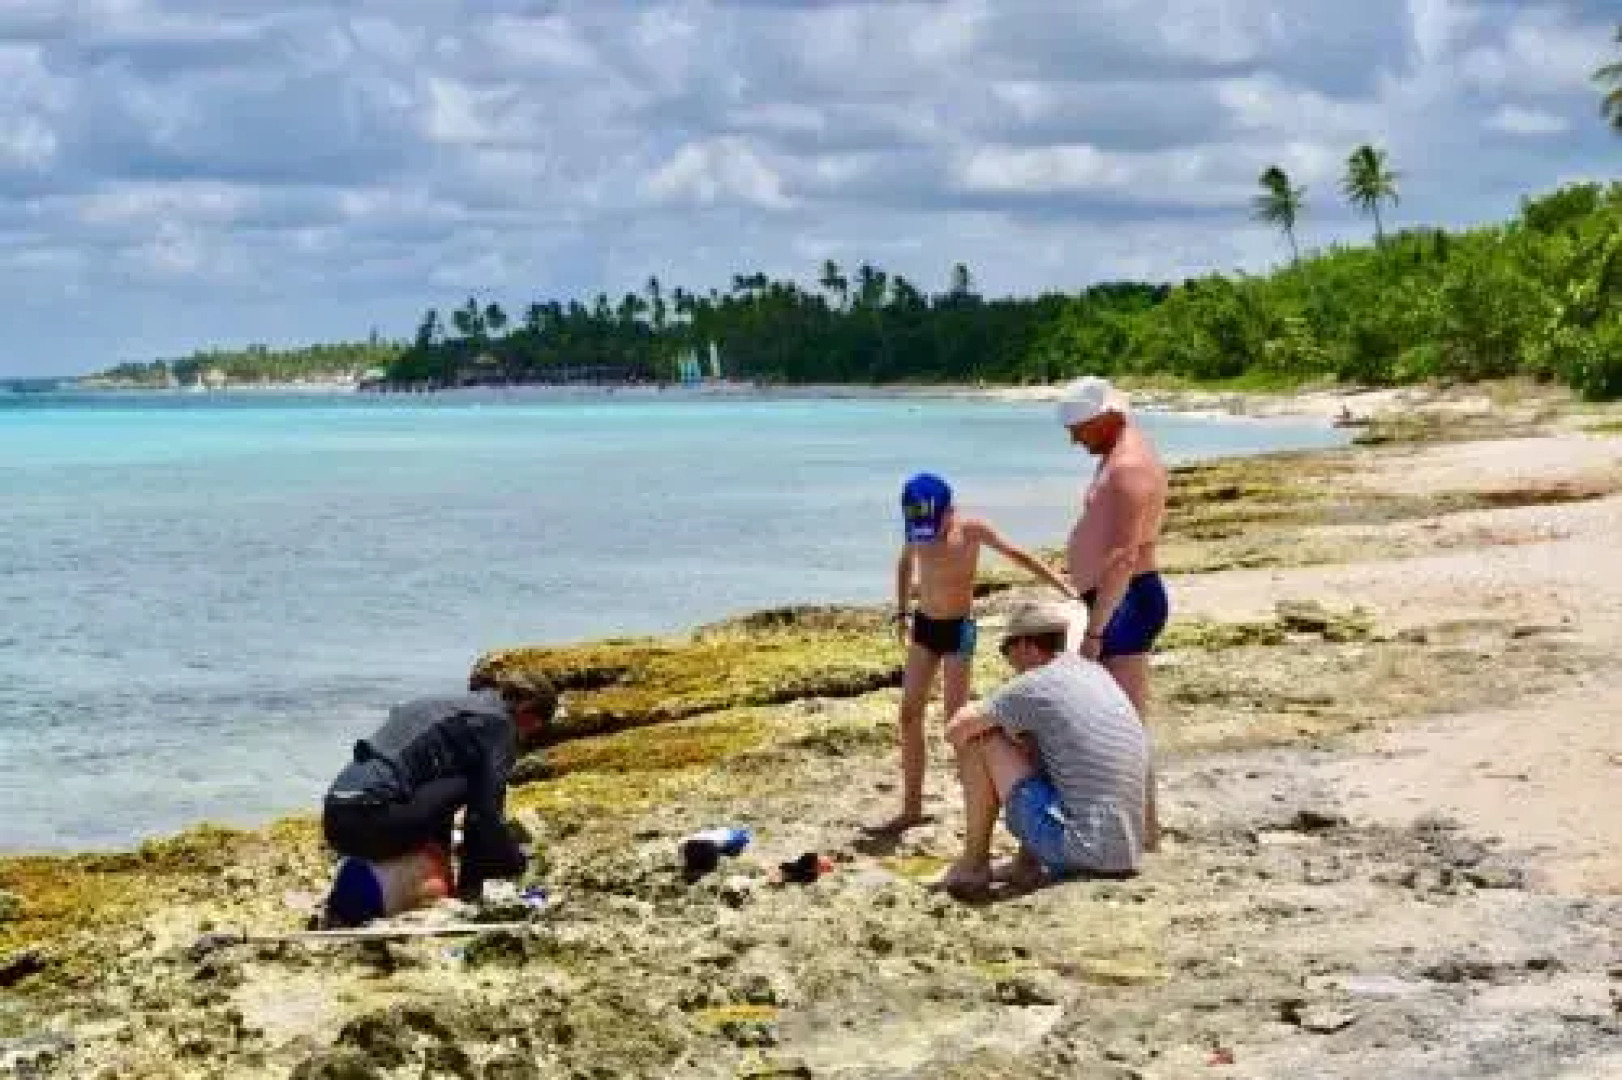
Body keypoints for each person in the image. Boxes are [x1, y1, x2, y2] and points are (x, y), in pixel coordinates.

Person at [865, 471, 1077, 836]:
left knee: (958, 721)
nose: (926, 532)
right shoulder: (918, 529)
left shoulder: (973, 530)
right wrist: (901, 612)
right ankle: (912, 808)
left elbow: (1017, 554)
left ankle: (975, 805)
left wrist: (1061, 584)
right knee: (909, 714)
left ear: (950, 510)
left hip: (959, 630)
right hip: (925, 628)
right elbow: (905, 564)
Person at [939, 596, 1148, 901]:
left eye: (1006, 651)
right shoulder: (1095, 673)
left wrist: (998, 732)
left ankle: (974, 864)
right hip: (1125, 851)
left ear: (1026, 645)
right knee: (1039, 740)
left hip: (1082, 851)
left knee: (980, 739)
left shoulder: (1035, 684)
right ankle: (1026, 864)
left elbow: (956, 729)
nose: (1010, 664)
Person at [319, 673, 557, 925]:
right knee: (471, 783)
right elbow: (487, 813)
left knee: (445, 779)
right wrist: (515, 864)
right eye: (532, 730)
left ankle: (445, 873)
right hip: (371, 819)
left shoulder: (449, 706)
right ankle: (471, 885)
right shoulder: (500, 723)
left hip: (336, 820)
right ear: (527, 711)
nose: (525, 738)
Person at [1056, 375, 1170, 851]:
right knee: (1118, 720)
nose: (1074, 440)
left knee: (1124, 723)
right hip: (1119, 599)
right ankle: (1142, 828)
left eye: (1079, 429)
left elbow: (1123, 555)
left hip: (1126, 601)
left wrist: (1096, 630)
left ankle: (1143, 831)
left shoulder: (1127, 468)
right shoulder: (1121, 454)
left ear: (1104, 418)